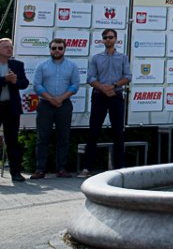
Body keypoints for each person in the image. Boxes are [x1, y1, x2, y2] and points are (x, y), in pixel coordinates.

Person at [79, 29, 132, 177]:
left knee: (118, 132)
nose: (108, 40)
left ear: (116, 39)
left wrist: (113, 86)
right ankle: (87, 168)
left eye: (110, 37)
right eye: (105, 38)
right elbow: (90, 78)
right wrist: (103, 88)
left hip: (116, 95)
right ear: (102, 40)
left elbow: (128, 76)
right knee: (94, 131)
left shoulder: (122, 58)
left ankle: (119, 167)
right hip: (99, 96)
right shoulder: (96, 58)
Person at [31, 37, 80, 178]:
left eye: (60, 48)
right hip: (45, 104)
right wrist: (51, 98)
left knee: (63, 138)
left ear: (64, 49)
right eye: (54, 48)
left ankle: (61, 169)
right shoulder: (42, 66)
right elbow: (37, 85)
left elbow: (75, 85)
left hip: (64, 104)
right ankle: (40, 170)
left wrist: (60, 98)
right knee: (42, 138)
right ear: (50, 49)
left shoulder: (72, 66)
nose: (57, 51)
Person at [0, 37, 29, 182]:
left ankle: (15, 173)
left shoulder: (17, 64)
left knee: (12, 141)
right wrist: (5, 79)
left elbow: (24, 83)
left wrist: (15, 81)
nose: (9, 49)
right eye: (6, 47)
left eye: (10, 47)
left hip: (11, 108)